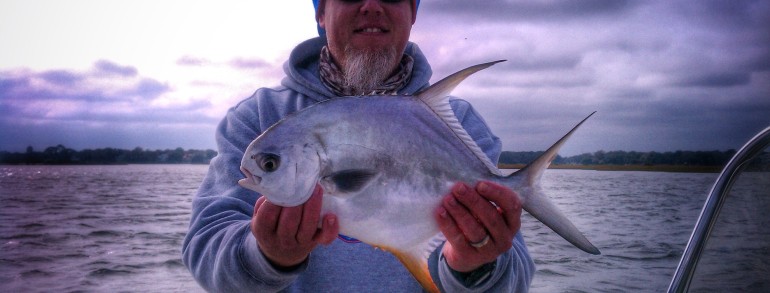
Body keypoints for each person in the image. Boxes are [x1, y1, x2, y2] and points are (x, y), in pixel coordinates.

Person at [182, 0, 535, 292]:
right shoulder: (259, 119)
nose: (371, 6)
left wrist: (473, 265)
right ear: (320, 13)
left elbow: (515, 278)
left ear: (412, 13)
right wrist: (266, 256)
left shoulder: (462, 123)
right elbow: (204, 252)